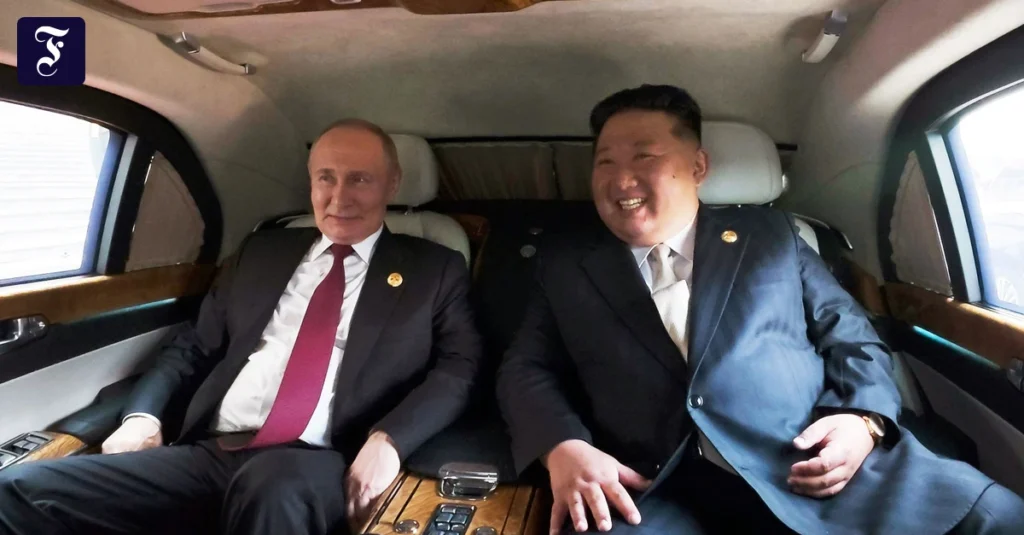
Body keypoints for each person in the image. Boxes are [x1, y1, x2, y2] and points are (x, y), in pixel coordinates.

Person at [496, 84, 1024, 534]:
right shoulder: (563, 265)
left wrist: (861, 420)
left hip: (810, 458)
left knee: (998, 517)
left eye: (644, 157)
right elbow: (526, 368)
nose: (620, 178)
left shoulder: (771, 235)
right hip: (658, 487)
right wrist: (562, 447)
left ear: (698, 166)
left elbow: (852, 335)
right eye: (605, 161)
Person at [0, 119, 482, 535]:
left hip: (319, 459)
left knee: (270, 487)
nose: (339, 198)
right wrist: (142, 416)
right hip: (211, 451)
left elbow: (460, 367)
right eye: (325, 178)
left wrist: (389, 440)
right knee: (17, 488)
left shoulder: (434, 269)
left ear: (392, 184)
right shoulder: (261, 252)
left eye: (359, 179)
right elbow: (192, 346)